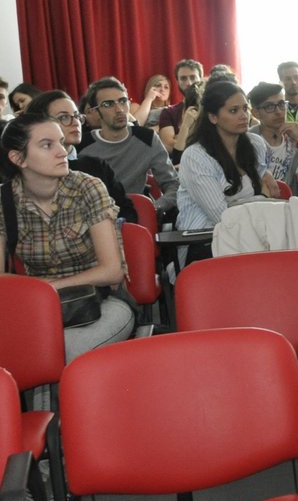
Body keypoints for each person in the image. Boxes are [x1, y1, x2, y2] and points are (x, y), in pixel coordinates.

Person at [1, 111, 136, 360]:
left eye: (61, 142)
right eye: (47, 145)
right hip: (38, 309)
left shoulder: (87, 187)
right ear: (18, 158)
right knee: (28, 347)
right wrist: (41, 295)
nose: (62, 151)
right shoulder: (4, 201)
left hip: (101, 302)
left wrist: (46, 288)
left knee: (61, 349)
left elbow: (111, 271)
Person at [177, 80, 276, 238]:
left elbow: (270, 194)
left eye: (245, 108)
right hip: (204, 238)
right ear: (213, 117)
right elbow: (221, 217)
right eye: (233, 111)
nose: (244, 116)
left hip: (251, 232)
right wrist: (262, 198)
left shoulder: (256, 143)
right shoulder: (195, 156)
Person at [33, 90, 136, 223]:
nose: (75, 122)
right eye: (64, 117)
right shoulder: (32, 171)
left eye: (76, 116)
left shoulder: (96, 166)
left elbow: (127, 212)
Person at [78, 76, 180, 208]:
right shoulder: (83, 145)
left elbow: (172, 184)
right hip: (96, 216)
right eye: (108, 104)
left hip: (137, 213)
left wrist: (155, 208)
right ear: (96, 111)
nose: (119, 109)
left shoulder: (146, 138)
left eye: (122, 101)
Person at [247, 82, 298, 197]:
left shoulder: (293, 138)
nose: (278, 111)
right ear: (256, 113)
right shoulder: (248, 140)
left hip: (289, 207)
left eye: (281, 104)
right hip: (258, 207)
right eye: (269, 106)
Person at [157, 59, 204, 152]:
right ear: (177, 81)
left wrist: (179, 137)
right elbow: (169, 146)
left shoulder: (212, 106)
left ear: (201, 79)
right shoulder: (168, 112)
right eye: (183, 78)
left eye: (193, 77)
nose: (189, 83)